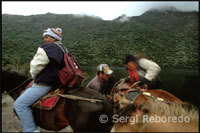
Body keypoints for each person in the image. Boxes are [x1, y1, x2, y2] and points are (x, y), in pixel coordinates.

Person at [14, 28, 65, 132]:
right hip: (58, 83)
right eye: (44, 37)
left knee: (19, 104)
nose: (45, 40)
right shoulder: (63, 49)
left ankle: (30, 130)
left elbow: (36, 66)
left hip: (45, 83)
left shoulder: (47, 47)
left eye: (47, 37)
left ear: (54, 38)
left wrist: (34, 76)